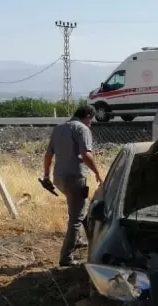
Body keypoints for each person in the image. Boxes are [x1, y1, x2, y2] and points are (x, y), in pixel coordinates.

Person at [42, 105, 103, 267]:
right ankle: (66, 257)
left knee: (84, 209)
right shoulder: (82, 129)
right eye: (92, 120)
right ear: (88, 116)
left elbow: (48, 155)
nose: (91, 123)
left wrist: (46, 175)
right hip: (75, 177)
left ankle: (82, 240)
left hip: (59, 178)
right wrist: (97, 173)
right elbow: (86, 154)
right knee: (76, 218)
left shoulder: (59, 128)